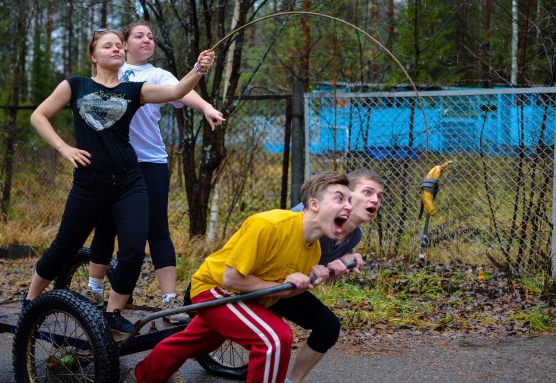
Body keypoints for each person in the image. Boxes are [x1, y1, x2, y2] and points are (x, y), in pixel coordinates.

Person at [24, 28, 216, 335]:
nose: (116, 49)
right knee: (65, 246)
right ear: (93, 55)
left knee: (133, 250)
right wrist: (65, 148)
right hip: (89, 184)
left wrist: (198, 69)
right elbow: (38, 116)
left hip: (129, 182)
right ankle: (30, 302)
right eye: (107, 46)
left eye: (118, 46)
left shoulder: (134, 90)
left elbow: (177, 91)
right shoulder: (76, 85)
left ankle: (113, 311)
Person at [125, 171, 354, 383]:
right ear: (314, 203)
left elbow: (281, 292)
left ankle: (139, 376)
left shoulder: (312, 250)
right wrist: (284, 287)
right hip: (213, 288)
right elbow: (230, 279)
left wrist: (307, 283)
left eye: (350, 201)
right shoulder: (269, 225)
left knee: (195, 341)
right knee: (273, 339)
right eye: (340, 198)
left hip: (245, 296)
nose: (349, 207)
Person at [84, 20, 225, 325]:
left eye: (150, 36)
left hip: (150, 162)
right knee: (106, 224)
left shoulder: (158, 75)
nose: (147, 40)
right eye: (139, 35)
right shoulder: (111, 72)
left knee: (157, 227)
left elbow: (182, 92)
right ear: (124, 43)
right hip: (113, 163)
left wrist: (206, 107)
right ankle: (94, 289)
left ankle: (169, 302)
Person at [277, 168, 384, 383]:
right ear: (346, 195)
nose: (375, 200)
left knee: (328, 326)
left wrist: (342, 263)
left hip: (291, 289)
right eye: (368, 192)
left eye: (379, 196)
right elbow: (277, 257)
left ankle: (293, 381)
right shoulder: (306, 216)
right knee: (277, 337)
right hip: (265, 283)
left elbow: (319, 271)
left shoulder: (354, 235)